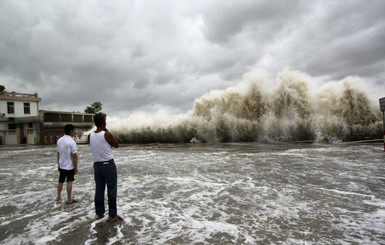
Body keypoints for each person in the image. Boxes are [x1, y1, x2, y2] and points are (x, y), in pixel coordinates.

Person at [88, 112, 120, 222]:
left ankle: (100, 213)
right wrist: (107, 132)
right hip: (108, 166)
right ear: (104, 122)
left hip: (97, 166)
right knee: (111, 190)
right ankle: (112, 215)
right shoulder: (107, 134)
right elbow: (116, 144)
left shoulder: (90, 136)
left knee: (99, 189)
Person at [56, 124, 78, 204]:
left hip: (62, 165)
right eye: (74, 130)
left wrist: (59, 164)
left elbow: (58, 153)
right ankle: (69, 199)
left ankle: (58, 196)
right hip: (69, 166)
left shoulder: (59, 140)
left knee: (60, 181)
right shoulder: (71, 141)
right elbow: (74, 156)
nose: (74, 132)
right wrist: (75, 168)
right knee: (69, 181)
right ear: (71, 131)